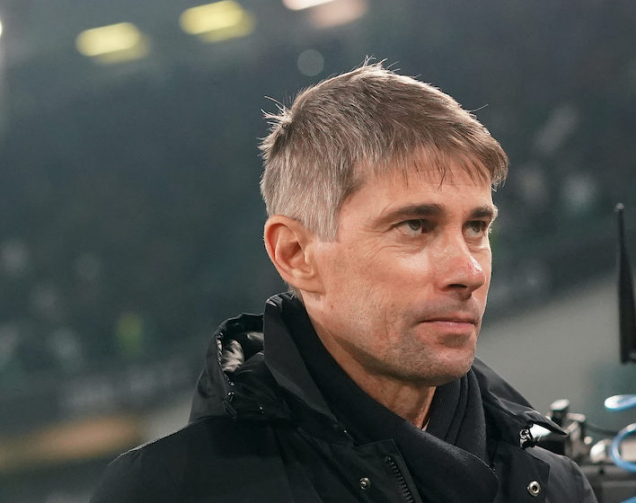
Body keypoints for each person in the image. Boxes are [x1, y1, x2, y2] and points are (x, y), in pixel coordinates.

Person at [91, 62, 597, 503]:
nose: (469, 271)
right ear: (296, 255)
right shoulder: (169, 491)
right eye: (415, 226)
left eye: (477, 228)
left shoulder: (554, 483)